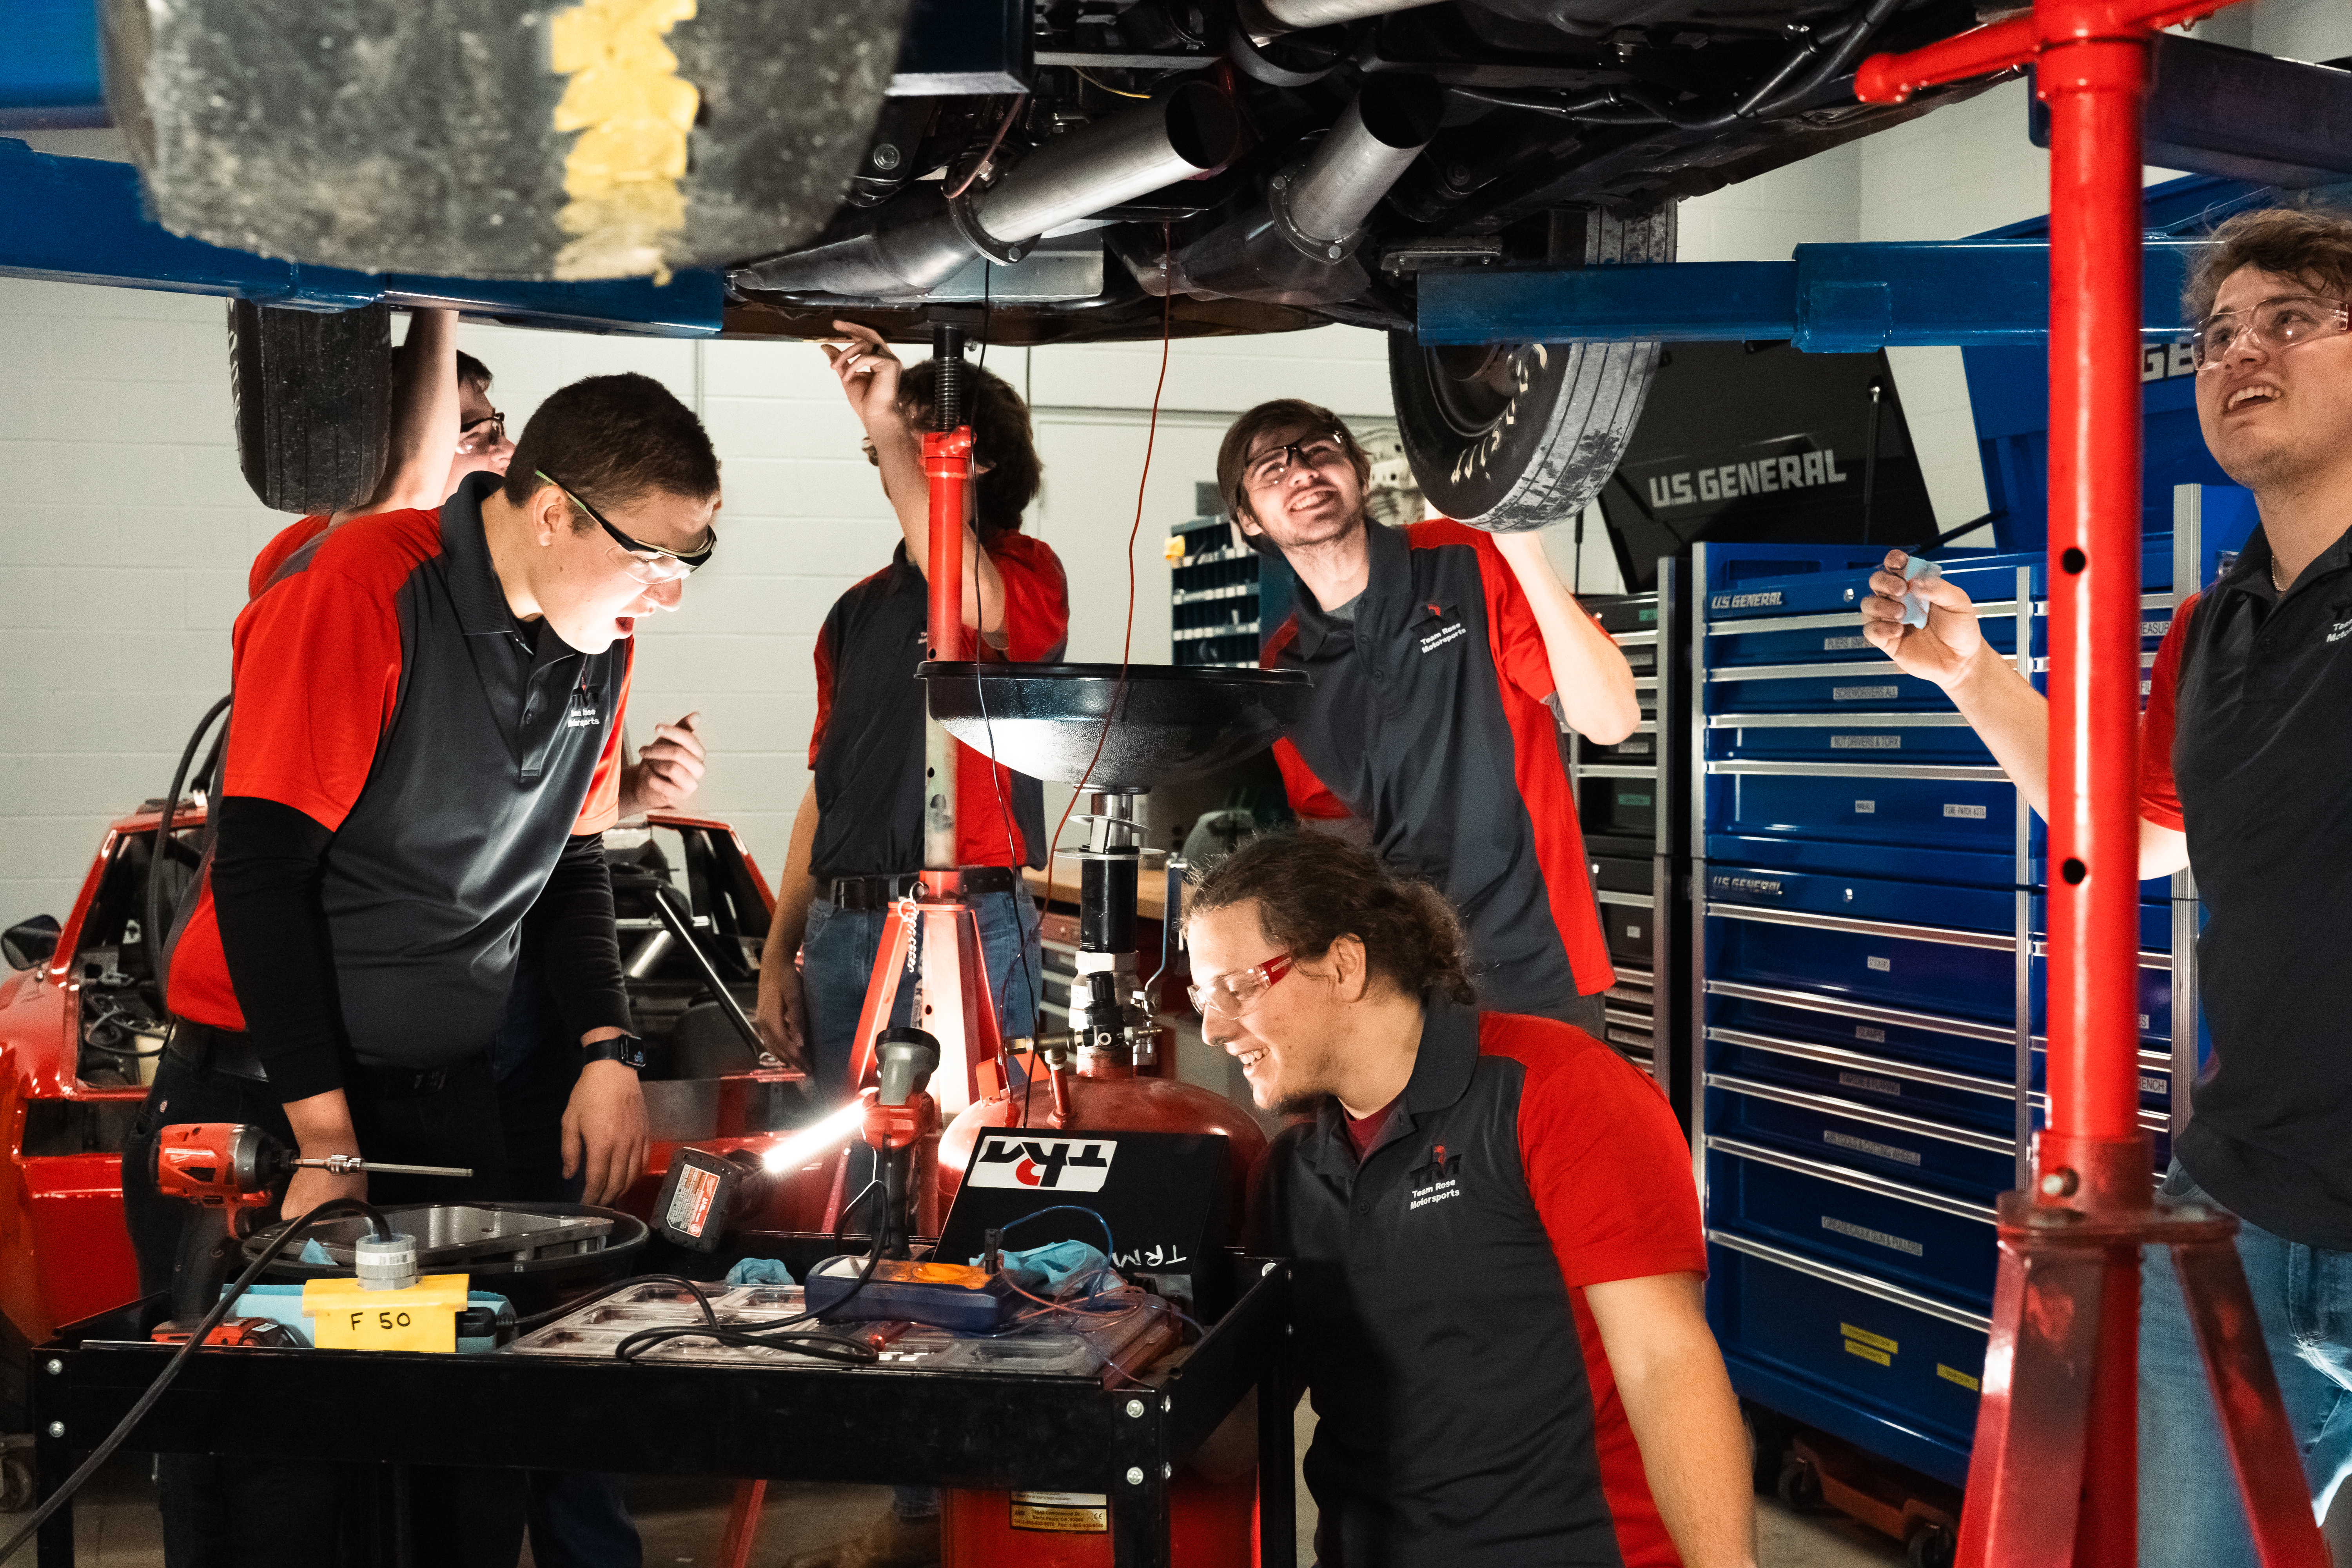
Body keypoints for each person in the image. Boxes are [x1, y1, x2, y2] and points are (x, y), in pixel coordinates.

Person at [121, 371, 720, 1566]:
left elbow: (569, 860)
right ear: (550, 511)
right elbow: (260, 877)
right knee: (282, 1496)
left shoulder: (597, 639)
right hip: (270, 1111)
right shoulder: (362, 591)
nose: (668, 593)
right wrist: (326, 1138)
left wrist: (606, 1049)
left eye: (691, 561)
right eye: (651, 556)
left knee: (458, 1482)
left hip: (442, 1107)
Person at [1858, 207, 2352, 1566]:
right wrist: (1974, 676)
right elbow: (2133, 835)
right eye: (2217, 333)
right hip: (2245, 1203)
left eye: (2295, 318)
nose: (2242, 350)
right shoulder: (2214, 624)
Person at [1192, 831, 1754, 1567]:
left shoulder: (1558, 1092)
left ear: (1344, 964)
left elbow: (1666, 1361)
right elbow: (1233, 1447)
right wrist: (1127, 1334)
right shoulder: (1293, 1171)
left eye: (1237, 988)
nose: (1212, 1027)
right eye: (1204, 997)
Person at [751, 323, 1067, 1568]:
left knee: (976, 1181)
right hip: (843, 923)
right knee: (861, 1194)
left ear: (976, 462)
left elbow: (968, 591)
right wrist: (781, 952)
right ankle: (900, 1470)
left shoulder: (1023, 573)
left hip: (971, 914)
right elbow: (824, 787)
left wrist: (892, 423)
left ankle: (987, 1467)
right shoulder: (851, 615)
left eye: (943, 444)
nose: (924, 460)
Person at [1222, 399, 1640, 1032]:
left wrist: (1521, 549)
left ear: (1359, 469)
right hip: (1402, 999)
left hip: (1539, 967)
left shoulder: (1464, 558)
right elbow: (1338, 853)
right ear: (1248, 521)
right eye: (1270, 468)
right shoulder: (1284, 669)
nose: (1301, 471)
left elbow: (1611, 721)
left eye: (1318, 449)